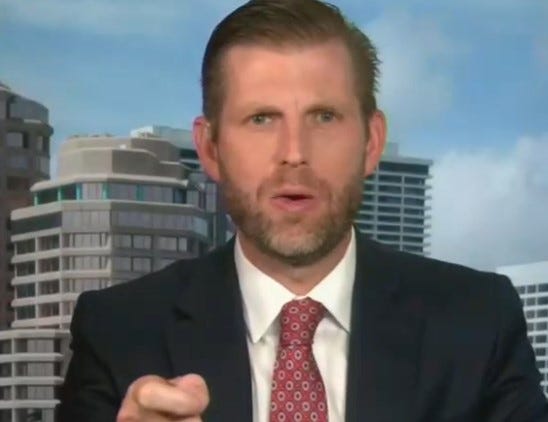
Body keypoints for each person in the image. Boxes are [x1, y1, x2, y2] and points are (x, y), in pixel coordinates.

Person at [57, 0, 548, 421]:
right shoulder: (119, 332)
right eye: (261, 119)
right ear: (210, 148)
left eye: (324, 117)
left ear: (371, 142)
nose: (294, 152)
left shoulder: (479, 323)